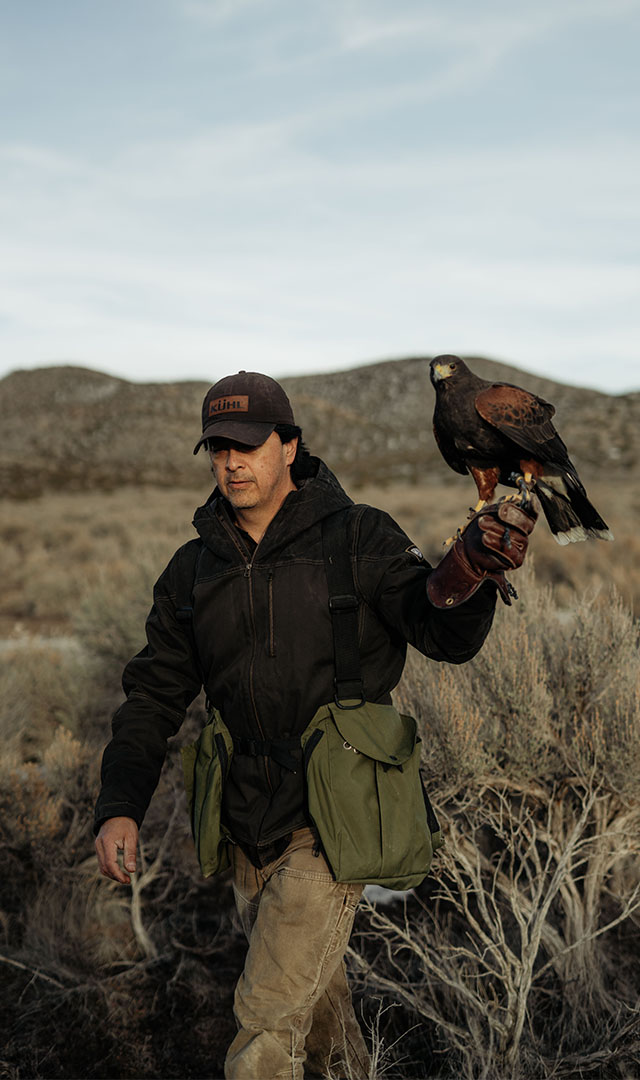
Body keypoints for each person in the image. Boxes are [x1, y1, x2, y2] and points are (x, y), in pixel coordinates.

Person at [94, 370, 536, 1079]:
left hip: (334, 818)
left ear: (290, 445)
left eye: (247, 445)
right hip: (245, 824)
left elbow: (442, 633)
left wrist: (472, 574)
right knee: (323, 1029)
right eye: (217, 448)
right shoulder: (192, 569)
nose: (231, 462)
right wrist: (120, 807)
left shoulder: (358, 537)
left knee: (263, 1035)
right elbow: (153, 695)